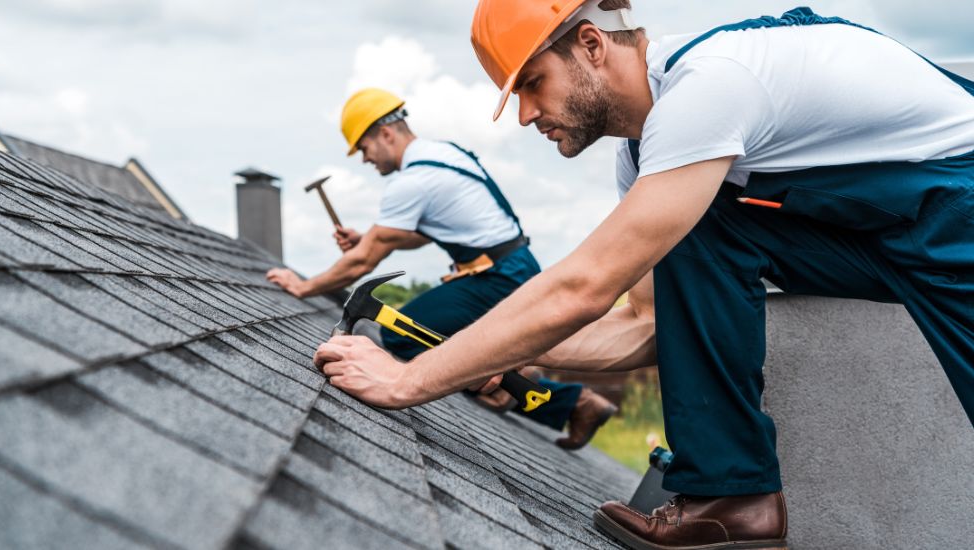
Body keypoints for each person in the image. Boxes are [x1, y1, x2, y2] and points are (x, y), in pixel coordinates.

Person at [313, 2, 974, 548]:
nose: (523, 115)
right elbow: (643, 326)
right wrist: (477, 359)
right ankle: (732, 497)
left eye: (532, 84)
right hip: (886, 231)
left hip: (958, 203)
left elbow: (585, 287)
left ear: (592, 45)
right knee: (705, 226)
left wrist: (410, 379)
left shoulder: (710, 85)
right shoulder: (651, 160)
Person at [267, 87, 616, 449]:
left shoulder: (413, 180)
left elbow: (364, 261)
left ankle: (548, 394)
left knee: (402, 335)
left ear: (385, 133)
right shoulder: (443, 155)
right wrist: (368, 239)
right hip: (510, 267)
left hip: (496, 277)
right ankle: (547, 393)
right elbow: (418, 235)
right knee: (449, 340)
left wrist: (303, 286)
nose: (365, 160)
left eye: (364, 148)